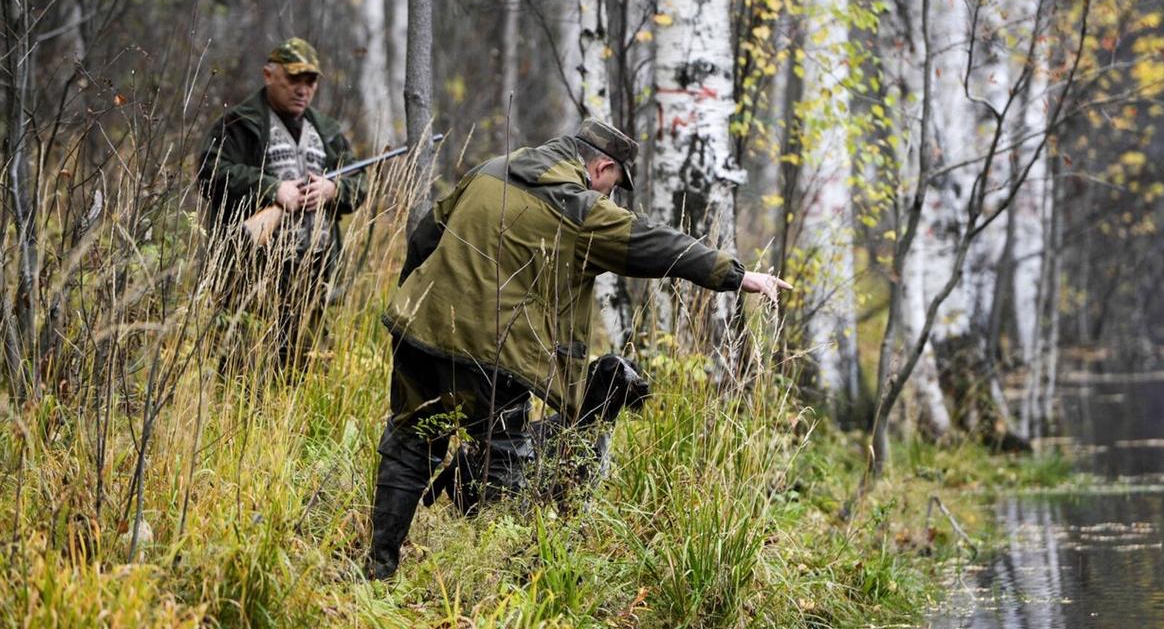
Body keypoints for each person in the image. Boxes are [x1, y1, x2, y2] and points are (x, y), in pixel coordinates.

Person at [368, 118, 791, 579]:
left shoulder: (491, 170)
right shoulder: (580, 208)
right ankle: (491, 590)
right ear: (602, 166)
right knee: (504, 462)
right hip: (494, 353)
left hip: (418, 329)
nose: (610, 197)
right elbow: (654, 243)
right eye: (613, 186)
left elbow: (424, 237)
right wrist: (736, 275)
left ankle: (380, 567)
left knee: (410, 442)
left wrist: (411, 303)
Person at [198, 38, 366, 367]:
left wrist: (332, 190)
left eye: (310, 82)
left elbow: (359, 184)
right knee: (241, 371)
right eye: (292, 80)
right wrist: (272, 190)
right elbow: (211, 174)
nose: (302, 90)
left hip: (313, 276)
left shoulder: (328, 131)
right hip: (250, 277)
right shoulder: (238, 124)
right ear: (268, 75)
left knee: (309, 372)